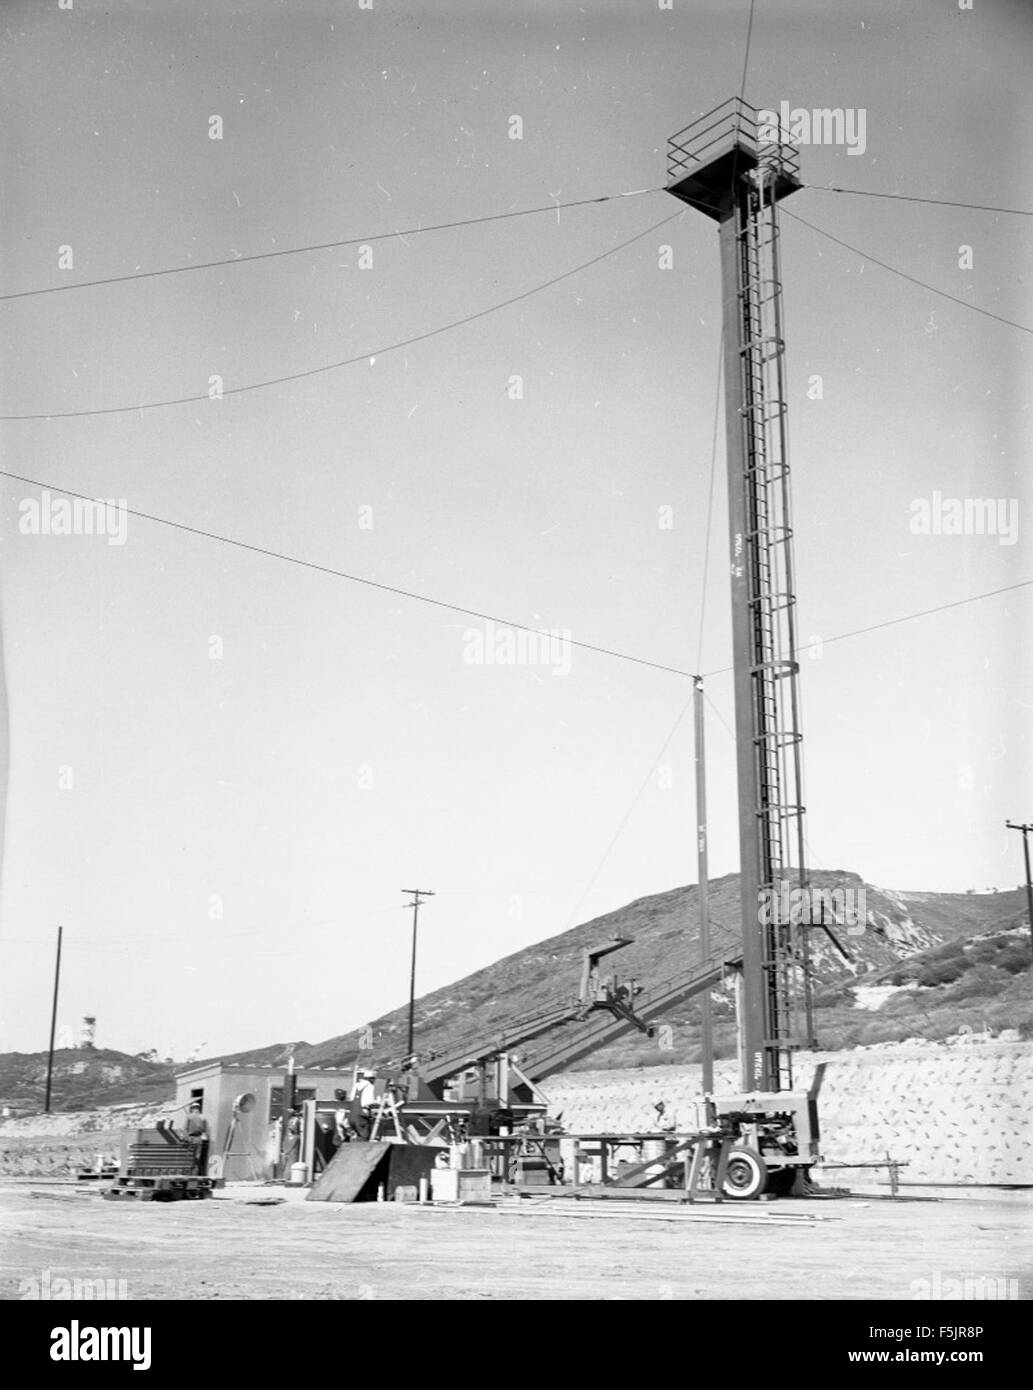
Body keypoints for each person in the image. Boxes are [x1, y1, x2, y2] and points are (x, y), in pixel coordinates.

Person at [350, 1069, 377, 1141]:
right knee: (364, 1138)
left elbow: (351, 1098)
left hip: (352, 1116)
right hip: (361, 1118)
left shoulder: (356, 1085)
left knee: (357, 1137)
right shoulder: (370, 1086)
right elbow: (369, 1102)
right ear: (371, 1079)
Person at [184, 1102, 210, 1175]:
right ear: (199, 1108)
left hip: (190, 1138)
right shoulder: (203, 1117)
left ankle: (188, 1174)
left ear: (192, 1108)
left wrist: (186, 1138)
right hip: (199, 1139)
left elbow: (185, 1128)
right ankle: (195, 1174)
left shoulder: (189, 1117)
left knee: (189, 1157)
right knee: (197, 1156)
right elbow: (205, 1130)